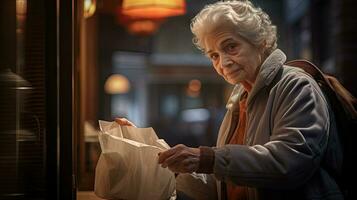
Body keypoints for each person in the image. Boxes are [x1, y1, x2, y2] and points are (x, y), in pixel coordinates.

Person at [116, 0, 344, 199]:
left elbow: (291, 162)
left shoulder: (296, 85)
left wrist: (206, 158)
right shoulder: (239, 100)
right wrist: (160, 156)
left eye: (231, 47)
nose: (223, 62)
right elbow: (223, 184)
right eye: (214, 55)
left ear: (261, 42)